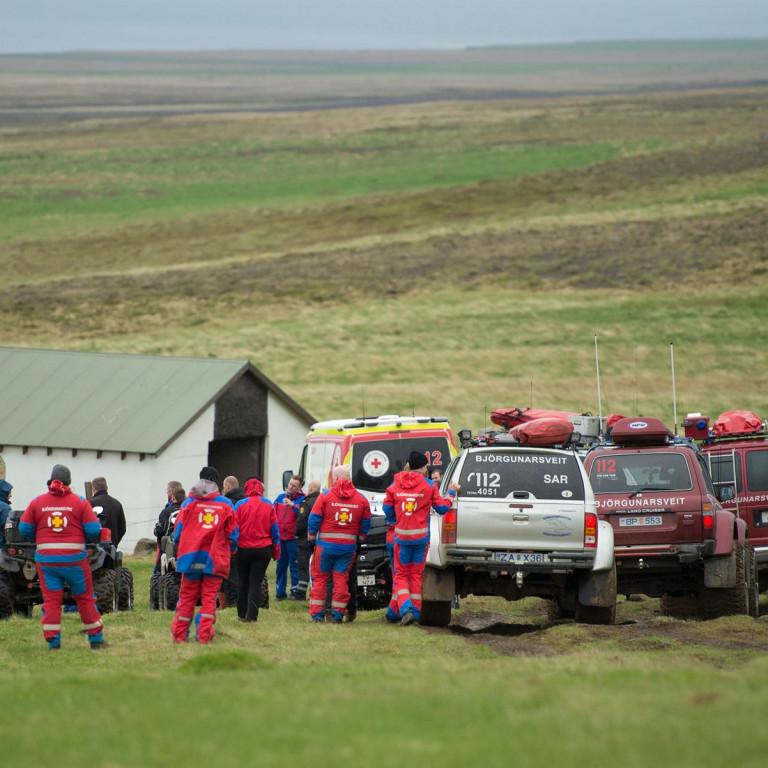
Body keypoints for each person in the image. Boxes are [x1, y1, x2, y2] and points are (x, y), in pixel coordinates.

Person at [19, 464, 108, 650]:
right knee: (84, 598)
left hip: (46, 562)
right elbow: (93, 530)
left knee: (51, 601)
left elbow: (24, 528)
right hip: (75, 562)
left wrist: (41, 534)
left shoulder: (37, 502)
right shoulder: (80, 502)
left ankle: (53, 642)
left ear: (50, 481)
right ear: (69, 482)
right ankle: (96, 640)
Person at [383, 451, 459, 626]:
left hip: (401, 539)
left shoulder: (395, 484)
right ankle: (415, 614)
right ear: (424, 468)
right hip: (421, 539)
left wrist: (398, 520)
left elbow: (387, 509)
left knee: (401, 576)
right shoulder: (429, 486)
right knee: (416, 575)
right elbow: (441, 508)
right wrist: (451, 494)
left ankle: (406, 610)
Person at [170, 466, 238, 644]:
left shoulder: (188, 503)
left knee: (187, 598)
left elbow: (177, 534)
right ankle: (204, 636)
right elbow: (233, 535)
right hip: (214, 560)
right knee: (209, 599)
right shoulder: (226, 504)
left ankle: (179, 636)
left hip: (190, 557)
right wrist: (231, 550)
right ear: (216, 482)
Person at [307, 465, 371, 623]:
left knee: (320, 579)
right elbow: (366, 523)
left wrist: (311, 539)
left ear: (335, 478)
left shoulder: (325, 496)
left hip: (325, 547)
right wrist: (360, 539)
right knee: (341, 579)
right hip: (347, 548)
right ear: (349, 479)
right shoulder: (361, 499)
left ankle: (317, 615)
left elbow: (314, 518)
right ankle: (337, 614)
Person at [233, 476, 280, 622]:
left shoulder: (240, 504)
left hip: (243, 549)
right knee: (256, 583)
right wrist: (276, 550)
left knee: (243, 581)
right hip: (263, 549)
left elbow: (234, 528)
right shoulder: (268, 504)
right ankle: (252, 616)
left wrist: (232, 547)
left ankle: (241, 614)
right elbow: (275, 531)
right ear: (261, 489)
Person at [273, 474, 305, 600]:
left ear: (299, 487)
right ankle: (280, 593)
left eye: (294, 485)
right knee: (281, 566)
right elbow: (272, 513)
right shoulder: (280, 498)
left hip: (293, 538)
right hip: (281, 538)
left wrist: (293, 506)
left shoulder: (302, 500)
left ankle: (294, 592)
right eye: (290, 484)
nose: (290, 487)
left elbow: (304, 515)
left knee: (294, 566)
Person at [220, 476, 245, 608]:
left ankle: (231, 603)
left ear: (227, 487)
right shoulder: (245, 501)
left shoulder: (226, 502)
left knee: (229, 576)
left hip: (231, 543)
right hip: (247, 543)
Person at [293, 479, 321, 601]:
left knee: (303, 567)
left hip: (305, 539)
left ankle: (300, 594)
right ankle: (315, 592)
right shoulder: (322, 500)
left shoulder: (307, 502)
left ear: (310, 489)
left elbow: (302, 520)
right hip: (319, 540)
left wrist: (296, 533)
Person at [153, 482, 184, 572]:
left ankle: (156, 579)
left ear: (173, 496)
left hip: (169, 546)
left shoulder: (167, 511)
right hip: (186, 545)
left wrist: (156, 530)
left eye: (167, 491)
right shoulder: (189, 509)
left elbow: (160, 531)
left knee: (157, 571)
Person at [89, 476, 127, 547]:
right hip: (113, 544)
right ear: (107, 488)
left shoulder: (91, 503)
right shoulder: (117, 504)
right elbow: (122, 528)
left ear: (93, 489)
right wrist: (115, 541)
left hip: (96, 546)